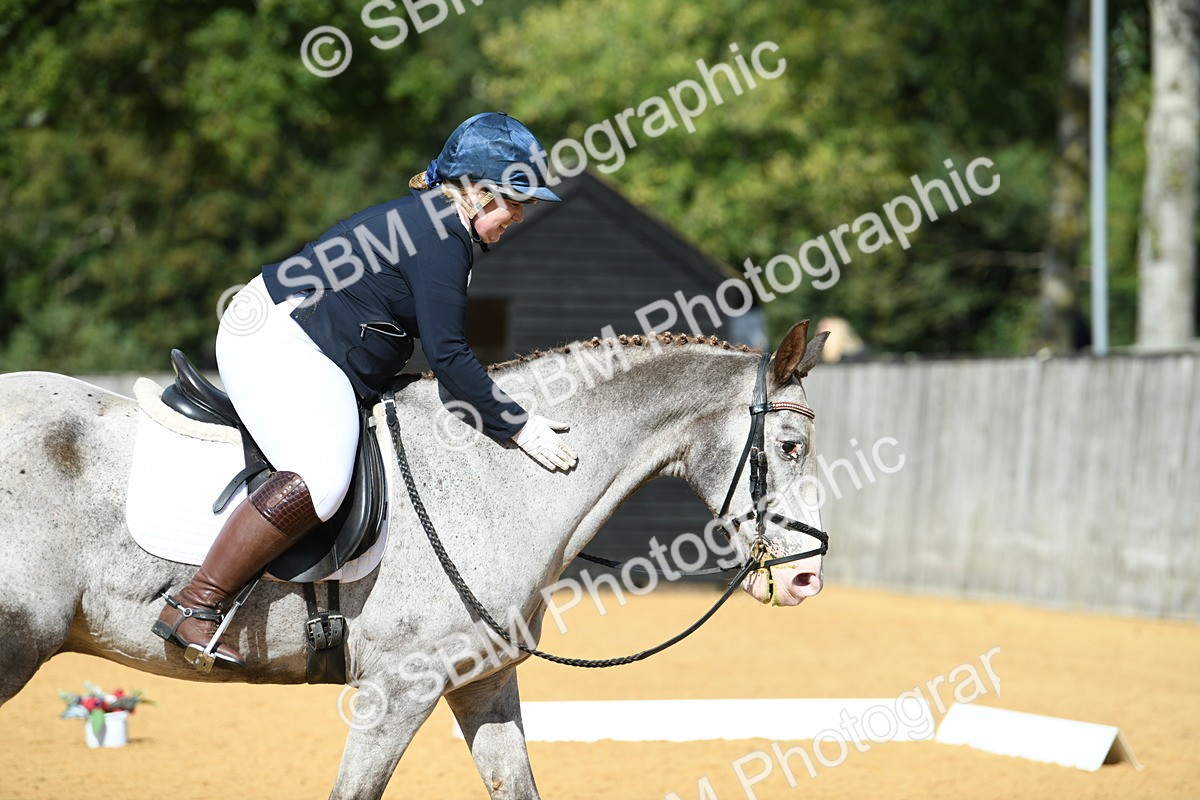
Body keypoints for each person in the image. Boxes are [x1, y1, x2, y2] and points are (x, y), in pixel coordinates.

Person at [152, 112, 578, 669]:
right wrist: (518, 424)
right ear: (473, 193)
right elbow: (448, 358)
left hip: (299, 333)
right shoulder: (439, 236)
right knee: (323, 480)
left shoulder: (439, 226)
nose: (518, 215)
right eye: (512, 200)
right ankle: (197, 604)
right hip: (275, 334)